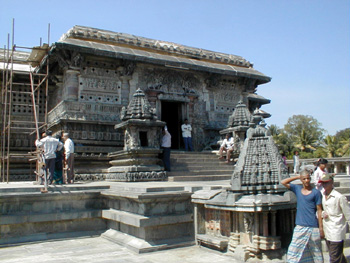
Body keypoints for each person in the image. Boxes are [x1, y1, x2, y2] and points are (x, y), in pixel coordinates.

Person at [281, 170, 324, 263]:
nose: (307, 180)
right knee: (293, 251)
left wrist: (321, 228)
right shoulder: (297, 188)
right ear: (301, 180)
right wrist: (297, 177)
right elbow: (283, 182)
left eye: (308, 178)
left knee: (316, 252)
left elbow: (319, 210)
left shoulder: (316, 193)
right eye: (304, 179)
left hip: (313, 226)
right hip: (301, 225)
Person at [320, 173, 350, 263]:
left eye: (326, 183)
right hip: (327, 229)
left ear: (331, 182)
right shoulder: (322, 196)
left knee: (334, 257)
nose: (324, 185)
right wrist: (322, 213)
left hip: (337, 230)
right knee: (337, 255)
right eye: (323, 183)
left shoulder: (339, 197)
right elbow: (320, 210)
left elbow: (348, 214)